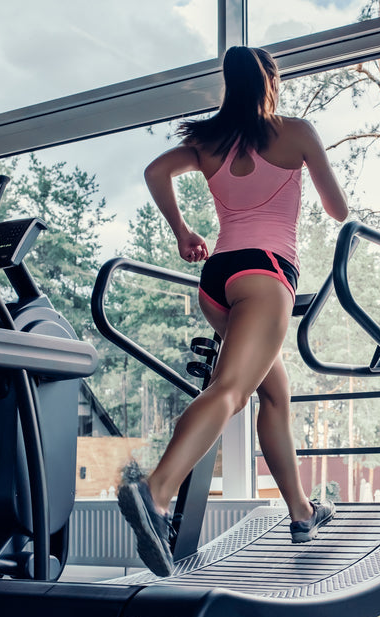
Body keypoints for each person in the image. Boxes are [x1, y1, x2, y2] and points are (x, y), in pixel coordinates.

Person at [117, 45, 349, 577]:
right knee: (229, 391)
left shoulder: (207, 140)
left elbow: (156, 172)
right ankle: (155, 494)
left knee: (274, 393)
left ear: (229, 83)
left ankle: (301, 512)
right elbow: (338, 211)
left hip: (218, 278)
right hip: (267, 274)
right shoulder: (295, 131)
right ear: (270, 80)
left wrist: (183, 232)